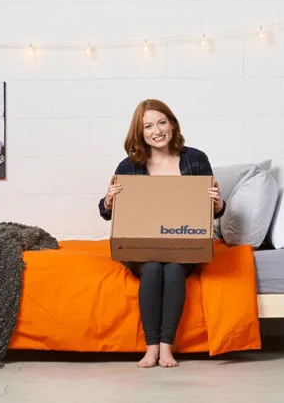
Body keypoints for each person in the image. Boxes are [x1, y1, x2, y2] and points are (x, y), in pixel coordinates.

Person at [98, 99, 226, 369]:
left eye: (161, 122)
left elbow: (212, 212)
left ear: (172, 124)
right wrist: (108, 201)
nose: (156, 130)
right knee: (154, 268)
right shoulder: (129, 165)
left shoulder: (196, 159)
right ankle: (151, 348)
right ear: (140, 132)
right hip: (142, 247)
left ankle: (167, 348)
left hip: (184, 245)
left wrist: (218, 204)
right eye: (148, 126)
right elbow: (107, 212)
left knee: (174, 269)